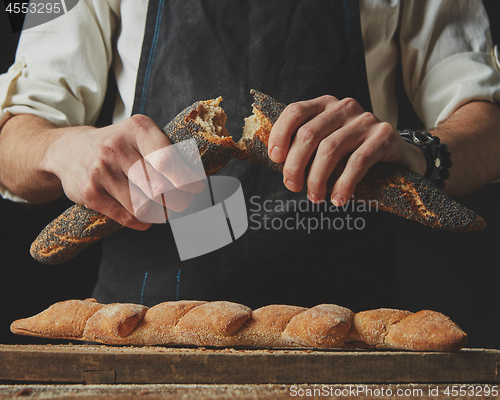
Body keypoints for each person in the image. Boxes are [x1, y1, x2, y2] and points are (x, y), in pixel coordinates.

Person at [1, 0, 499, 311]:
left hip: (347, 328)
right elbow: (11, 138)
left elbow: (488, 122)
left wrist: (417, 152)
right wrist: (59, 147)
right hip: (142, 322)